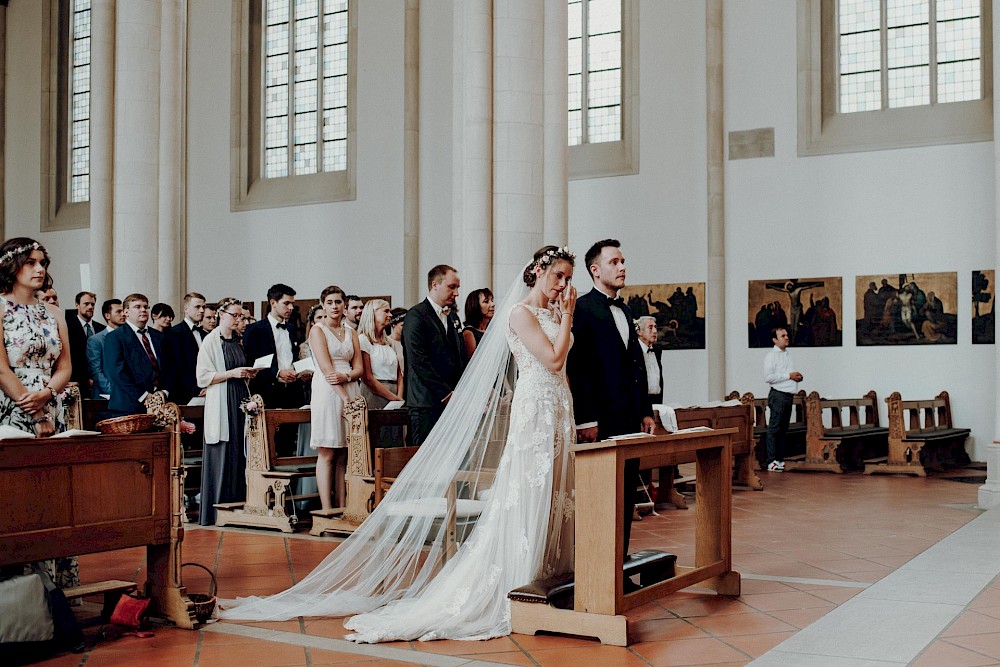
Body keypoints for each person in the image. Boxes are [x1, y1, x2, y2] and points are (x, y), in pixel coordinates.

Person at [219, 246, 578, 645]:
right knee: (531, 486)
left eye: (568, 277)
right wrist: (567, 315)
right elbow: (553, 359)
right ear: (539, 272)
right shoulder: (520, 313)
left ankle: (554, 571)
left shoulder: (547, 312)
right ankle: (520, 576)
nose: (564, 285)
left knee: (558, 491)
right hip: (535, 407)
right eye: (558, 275)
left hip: (558, 406)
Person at [567, 239, 655, 563]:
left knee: (624, 498)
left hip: (629, 418)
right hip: (600, 421)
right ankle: (596, 571)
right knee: (600, 500)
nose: (622, 267)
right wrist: (586, 419)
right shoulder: (582, 309)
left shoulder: (628, 309)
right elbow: (579, 369)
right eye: (614, 262)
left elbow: (636, 363)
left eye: (623, 261)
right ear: (595, 269)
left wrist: (645, 410)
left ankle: (619, 566)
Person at [0, 238, 76, 591]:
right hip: (12, 407)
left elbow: (65, 367)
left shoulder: (54, 314)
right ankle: (20, 587)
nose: (39, 268)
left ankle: (53, 587)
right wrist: (31, 406)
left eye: (42, 261)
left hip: (51, 404)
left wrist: (47, 394)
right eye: (30, 262)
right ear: (11, 267)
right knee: (19, 496)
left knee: (53, 494)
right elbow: (1, 369)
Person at [195, 298, 259, 526]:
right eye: (235, 315)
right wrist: (232, 374)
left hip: (238, 398)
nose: (239, 320)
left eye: (242, 316)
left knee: (238, 452)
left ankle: (237, 505)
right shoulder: (211, 342)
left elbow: (237, 370)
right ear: (221, 314)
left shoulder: (238, 342)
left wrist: (247, 373)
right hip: (222, 399)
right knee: (222, 450)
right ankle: (215, 511)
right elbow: (202, 377)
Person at [310, 285, 363, 510]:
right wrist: (345, 399)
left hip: (349, 384)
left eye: (338, 302)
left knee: (345, 452)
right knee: (328, 450)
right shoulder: (317, 331)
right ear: (323, 305)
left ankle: (344, 505)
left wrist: (348, 377)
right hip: (328, 390)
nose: (334, 306)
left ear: (344, 305)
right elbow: (326, 368)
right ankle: (326, 508)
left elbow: (359, 368)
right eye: (330, 302)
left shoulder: (351, 332)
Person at [402, 265, 465, 445]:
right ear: (435, 284)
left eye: (457, 287)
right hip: (425, 402)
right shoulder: (416, 315)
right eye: (452, 287)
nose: (456, 293)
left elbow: (460, 358)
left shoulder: (453, 318)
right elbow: (418, 361)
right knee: (423, 461)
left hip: (452, 402)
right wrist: (446, 394)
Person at [244, 284, 307, 411]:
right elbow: (251, 362)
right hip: (267, 391)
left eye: (292, 304)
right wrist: (277, 373)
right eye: (286, 303)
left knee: (292, 430)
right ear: (273, 302)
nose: (290, 308)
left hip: (293, 391)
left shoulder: (291, 328)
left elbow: (293, 356)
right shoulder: (255, 330)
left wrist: (301, 371)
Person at [103, 293, 165, 416]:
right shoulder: (115, 337)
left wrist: (163, 392)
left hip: (160, 404)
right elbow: (117, 373)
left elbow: (169, 367)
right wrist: (144, 395)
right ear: (126, 312)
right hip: (129, 406)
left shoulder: (159, 336)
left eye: (146, 307)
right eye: (137, 307)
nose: (143, 310)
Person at [763, 326, 804, 472]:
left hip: (788, 395)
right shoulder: (771, 356)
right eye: (782, 336)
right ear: (775, 340)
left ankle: (779, 460)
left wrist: (796, 378)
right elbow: (768, 377)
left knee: (783, 429)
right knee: (774, 429)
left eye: (786, 335)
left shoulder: (787, 354)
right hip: (778, 395)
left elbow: (787, 373)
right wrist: (789, 376)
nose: (786, 337)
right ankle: (771, 460)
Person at [357, 299, 403, 410]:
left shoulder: (389, 342)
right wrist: (392, 397)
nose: (390, 315)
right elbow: (367, 377)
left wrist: (399, 397)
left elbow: (399, 374)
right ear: (373, 313)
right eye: (386, 311)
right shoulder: (363, 340)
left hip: (395, 391)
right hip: (374, 393)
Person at [163, 292, 207, 405]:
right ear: (186, 309)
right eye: (197, 307)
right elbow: (176, 367)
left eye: (203, 307)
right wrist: (196, 389)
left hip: (207, 392)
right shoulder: (173, 334)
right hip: (184, 395)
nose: (202, 310)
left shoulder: (205, 334)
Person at [65, 290, 105, 390]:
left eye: (93, 304)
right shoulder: (67, 327)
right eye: (86, 304)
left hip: (100, 383)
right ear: (77, 305)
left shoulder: (101, 328)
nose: (90, 307)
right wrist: (83, 380)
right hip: (76, 383)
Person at [87, 298, 124, 399]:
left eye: (124, 311)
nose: (123, 314)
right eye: (118, 311)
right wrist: (113, 391)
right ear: (107, 315)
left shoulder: (129, 338)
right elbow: (96, 371)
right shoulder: (96, 340)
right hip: (105, 396)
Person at [462, 288, 494, 358]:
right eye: (486, 301)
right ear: (475, 305)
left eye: (492, 300)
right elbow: (473, 363)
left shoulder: (493, 329)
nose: (492, 304)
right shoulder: (468, 333)